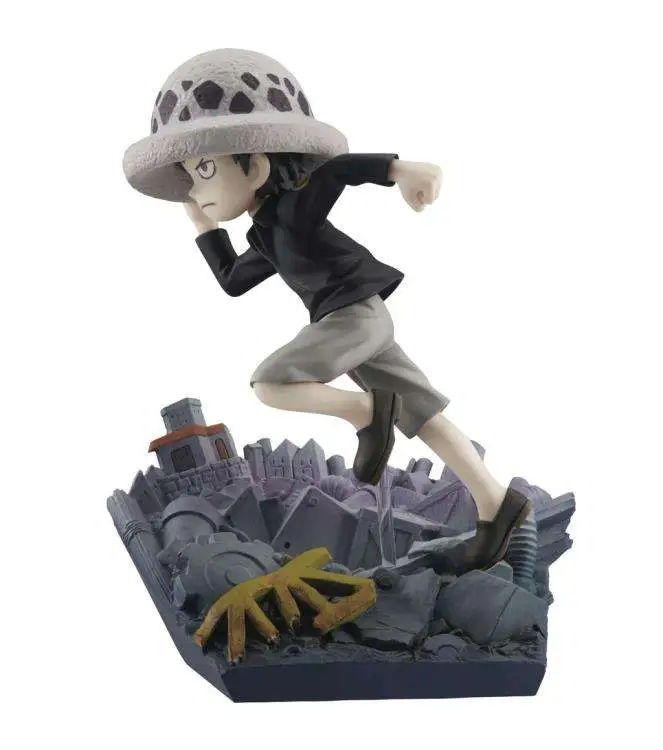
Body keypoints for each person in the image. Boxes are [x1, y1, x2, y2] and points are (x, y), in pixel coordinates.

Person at [123, 49, 531, 570]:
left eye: (204, 170)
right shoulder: (265, 233)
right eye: (189, 175)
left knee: (270, 382)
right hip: (357, 323)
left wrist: (402, 169)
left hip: (356, 317)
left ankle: (367, 412)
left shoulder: (296, 205)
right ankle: (495, 501)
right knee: (424, 413)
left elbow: (337, 171)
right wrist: (204, 229)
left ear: (257, 163)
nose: (195, 189)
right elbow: (233, 281)